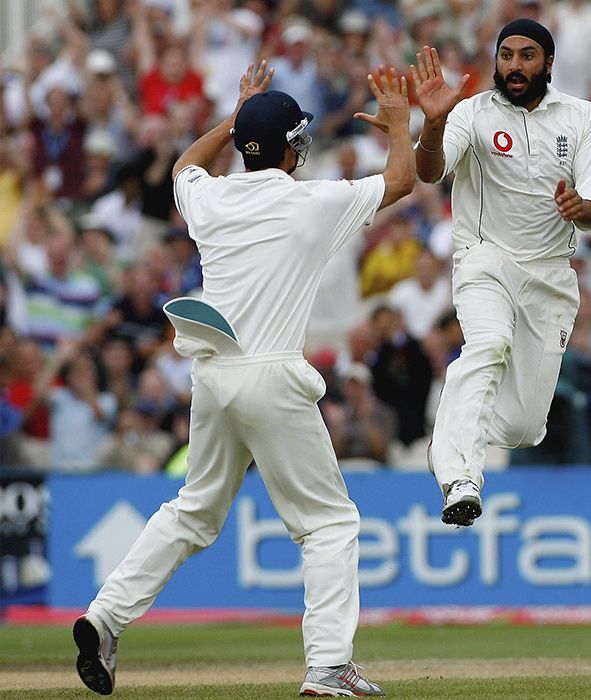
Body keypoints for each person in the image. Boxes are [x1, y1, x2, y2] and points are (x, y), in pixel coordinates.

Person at [72, 60, 414, 697]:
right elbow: (400, 181)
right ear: (290, 147)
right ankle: (328, 666)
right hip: (273, 374)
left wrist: (238, 117)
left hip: (212, 375)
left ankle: (106, 616)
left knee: (193, 513)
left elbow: (182, 169)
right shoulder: (312, 202)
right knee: (329, 524)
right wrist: (398, 122)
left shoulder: (211, 198)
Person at [410, 20, 591, 526]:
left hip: (549, 274)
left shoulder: (581, 116)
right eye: (506, 55)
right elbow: (430, 171)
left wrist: (578, 206)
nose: (515, 66)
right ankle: (461, 476)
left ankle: (453, 429)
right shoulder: (470, 113)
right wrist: (433, 123)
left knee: (524, 426)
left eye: (527, 56)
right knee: (489, 344)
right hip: (486, 260)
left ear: (548, 63)